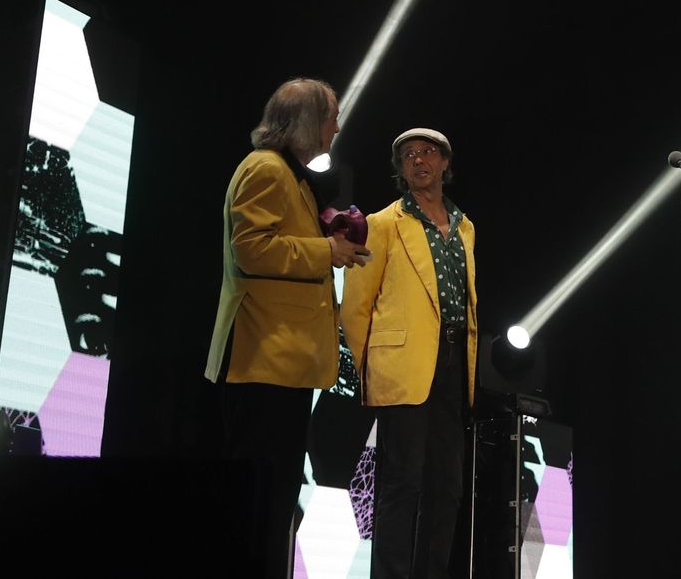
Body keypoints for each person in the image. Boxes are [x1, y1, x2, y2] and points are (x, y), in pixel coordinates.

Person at [204, 77, 367, 578]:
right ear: (305, 122)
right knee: (257, 495)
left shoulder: (289, 175)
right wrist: (327, 251)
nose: (337, 127)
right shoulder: (266, 169)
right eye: (331, 116)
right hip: (262, 361)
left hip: (282, 364)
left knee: (274, 497)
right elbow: (253, 249)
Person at [341, 128, 478, 579]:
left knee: (448, 488)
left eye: (428, 152)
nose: (418, 160)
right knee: (402, 484)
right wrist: (375, 365)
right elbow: (355, 307)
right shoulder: (382, 223)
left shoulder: (465, 226)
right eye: (409, 155)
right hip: (402, 367)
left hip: (454, 364)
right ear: (401, 169)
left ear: (445, 163)